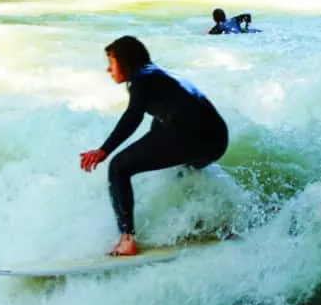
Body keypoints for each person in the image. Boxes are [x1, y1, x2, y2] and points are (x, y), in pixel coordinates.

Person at [80, 36, 229, 256]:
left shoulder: (141, 79)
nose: (108, 69)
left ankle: (127, 240)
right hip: (217, 140)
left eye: (111, 62)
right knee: (182, 170)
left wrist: (104, 150)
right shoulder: (162, 77)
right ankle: (211, 221)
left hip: (188, 135)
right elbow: (159, 125)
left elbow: (132, 117)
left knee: (118, 167)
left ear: (125, 61)